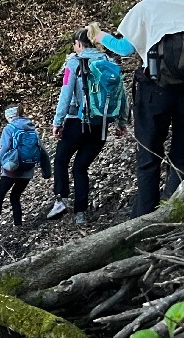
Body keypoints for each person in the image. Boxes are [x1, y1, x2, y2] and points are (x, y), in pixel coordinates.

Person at [87, 0, 184, 216]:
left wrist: (100, 36)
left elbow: (125, 49)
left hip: (157, 89)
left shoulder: (147, 6)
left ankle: (145, 215)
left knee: (149, 154)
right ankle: (175, 209)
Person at [47, 30, 128, 225]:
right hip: (101, 124)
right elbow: (121, 93)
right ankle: (80, 214)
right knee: (81, 168)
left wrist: (58, 122)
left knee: (61, 160)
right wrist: (121, 121)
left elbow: (65, 94)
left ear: (78, 43)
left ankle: (61, 199)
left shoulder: (74, 63)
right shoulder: (110, 62)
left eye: (74, 44)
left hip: (77, 122)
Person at [0, 106, 52, 239]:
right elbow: (42, 150)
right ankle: (18, 226)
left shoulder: (9, 129)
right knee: (15, 197)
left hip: (12, 169)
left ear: (9, 117)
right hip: (28, 170)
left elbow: (4, 149)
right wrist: (46, 171)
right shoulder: (31, 129)